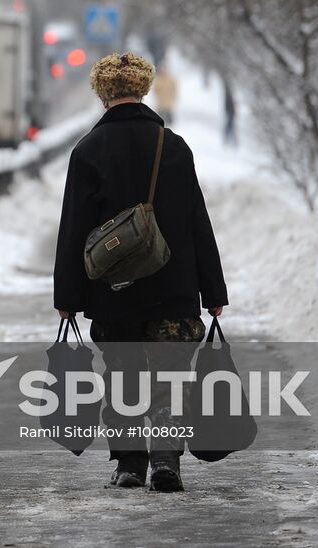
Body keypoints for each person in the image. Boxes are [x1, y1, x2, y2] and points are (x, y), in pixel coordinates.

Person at [53, 52, 228, 493]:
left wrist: (68, 297)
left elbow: (74, 228)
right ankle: (166, 461)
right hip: (174, 290)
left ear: (102, 93)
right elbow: (196, 221)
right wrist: (214, 290)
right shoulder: (173, 146)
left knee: (123, 375)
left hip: (115, 293)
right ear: (144, 89)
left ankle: (130, 464)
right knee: (170, 375)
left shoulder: (87, 150)